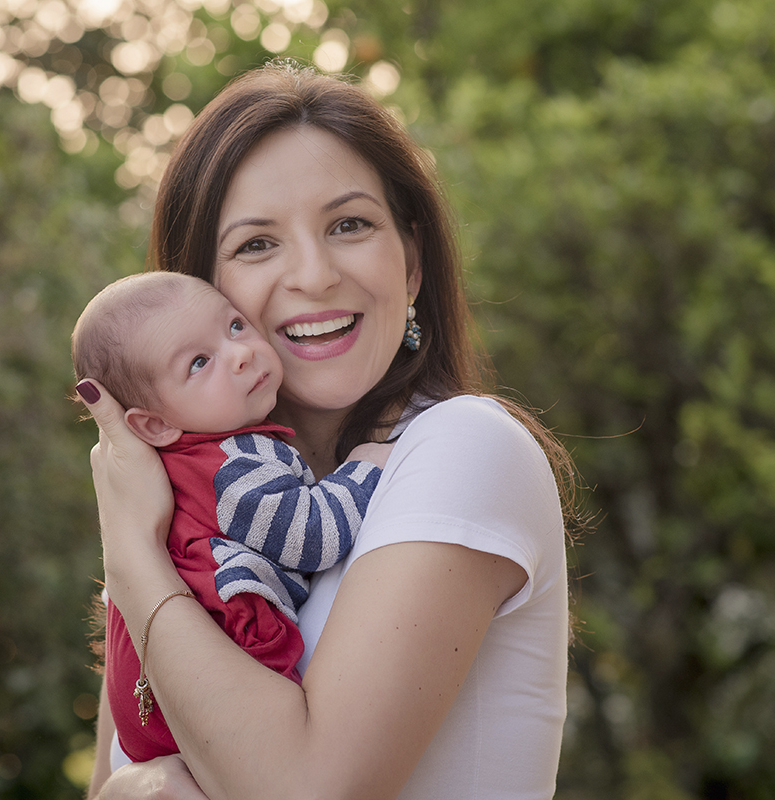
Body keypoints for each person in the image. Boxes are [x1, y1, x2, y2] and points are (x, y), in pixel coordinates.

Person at [81, 60, 577, 800]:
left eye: (349, 225)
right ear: (193, 293)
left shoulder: (465, 447)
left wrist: (128, 552)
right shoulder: (196, 534)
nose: (313, 275)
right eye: (256, 244)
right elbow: (114, 781)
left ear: (410, 263)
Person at [71, 271, 390, 762]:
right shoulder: (228, 470)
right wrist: (367, 465)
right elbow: (314, 534)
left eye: (236, 326)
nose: (240, 353)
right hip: (221, 698)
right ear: (154, 424)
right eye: (199, 362)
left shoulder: (175, 473)